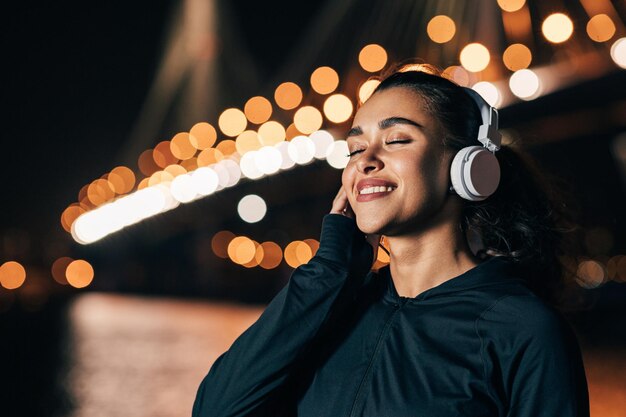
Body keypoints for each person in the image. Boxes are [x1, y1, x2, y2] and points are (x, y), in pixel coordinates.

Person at [192, 63, 589, 416]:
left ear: (470, 167)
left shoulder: (521, 329)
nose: (365, 159)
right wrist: (330, 268)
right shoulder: (331, 305)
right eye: (355, 147)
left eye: (397, 139)